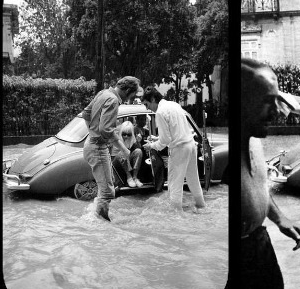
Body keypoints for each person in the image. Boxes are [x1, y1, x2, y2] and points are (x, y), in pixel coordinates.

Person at [240, 58, 300, 289]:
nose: (277, 111)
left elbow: (260, 187)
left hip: (261, 245)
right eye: (267, 102)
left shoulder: (255, 140)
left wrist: (280, 220)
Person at [79, 76, 143, 221]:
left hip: (93, 144)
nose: (133, 98)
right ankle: (101, 226)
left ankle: (97, 218)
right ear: (127, 90)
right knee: (107, 192)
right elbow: (106, 130)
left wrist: (92, 132)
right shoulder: (113, 100)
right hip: (97, 147)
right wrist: (124, 149)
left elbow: (85, 114)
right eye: (133, 94)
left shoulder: (103, 93)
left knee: (107, 187)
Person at [141, 87, 206, 212]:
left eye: (146, 104)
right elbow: (174, 132)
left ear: (153, 99)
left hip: (179, 148)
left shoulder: (160, 112)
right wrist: (157, 139)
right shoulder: (174, 104)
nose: (147, 108)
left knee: (174, 183)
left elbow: (165, 141)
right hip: (191, 145)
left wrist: (151, 146)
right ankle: (201, 206)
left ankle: (176, 215)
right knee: (193, 180)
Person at [111, 120, 145, 188]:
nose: (126, 136)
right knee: (122, 152)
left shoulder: (133, 141)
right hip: (118, 164)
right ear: (121, 133)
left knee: (138, 151)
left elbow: (137, 154)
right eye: (124, 134)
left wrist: (138, 143)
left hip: (129, 164)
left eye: (129, 134)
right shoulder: (117, 141)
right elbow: (113, 158)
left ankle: (135, 177)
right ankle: (129, 177)